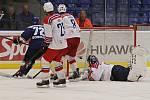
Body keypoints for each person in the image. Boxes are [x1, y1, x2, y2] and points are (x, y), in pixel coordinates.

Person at [36, 2, 68, 87]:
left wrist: (45, 44)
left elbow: (49, 36)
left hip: (55, 45)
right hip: (64, 44)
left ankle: (45, 81)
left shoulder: (47, 19)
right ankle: (62, 79)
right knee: (57, 62)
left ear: (45, 10)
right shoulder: (58, 16)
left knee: (45, 61)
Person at [81, 46, 148, 82]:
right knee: (128, 74)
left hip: (114, 71)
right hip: (115, 70)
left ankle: (137, 67)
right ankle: (138, 73)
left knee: (130, 77)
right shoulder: (98, 65)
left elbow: (96, 78)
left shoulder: (95, 67)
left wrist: (89, 74)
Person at [57, 4, 80, 80]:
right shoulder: (71, 16)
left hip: (69, 38)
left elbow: (60, 30)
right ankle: (75, 73)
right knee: (71, 57)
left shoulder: (60, 18)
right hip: (77, 37)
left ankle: (59, 75)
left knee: (60, 56)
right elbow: (78, 28)